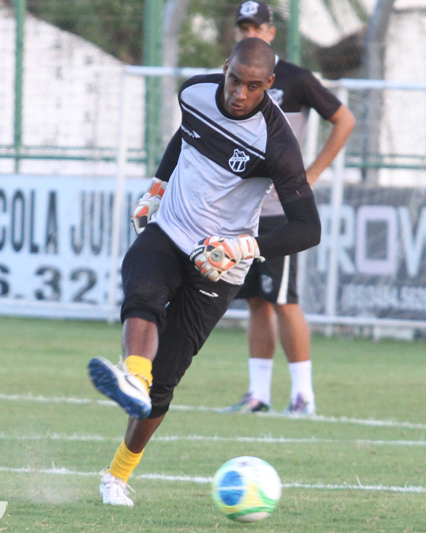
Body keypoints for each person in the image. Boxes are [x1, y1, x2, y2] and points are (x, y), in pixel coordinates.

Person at [87, 37, 321, 507]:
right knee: (142, 289)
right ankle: (134, 376)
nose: (239, 93)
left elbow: (308, 228)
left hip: (218, 264)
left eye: (253, 86)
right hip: (170, 230)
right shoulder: (194, 92)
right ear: (225, 67)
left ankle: (116, 475)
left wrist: (243, 247)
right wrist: (158, 186)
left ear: (269, 84)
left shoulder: (277, 143)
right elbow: (186, 133)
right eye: (234, 80)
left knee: (165, 383)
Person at [224, 1, 355, 416]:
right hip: (243, 211)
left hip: (279, 211)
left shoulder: (295, 79)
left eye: (256, 27)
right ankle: (258, 394)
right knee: (256, 301)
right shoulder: (233, 79)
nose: (249, 34)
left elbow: (345, 120)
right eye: (243, 27)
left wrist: (311, 174)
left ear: (271, 32)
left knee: (284, 300)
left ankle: (303, 396)